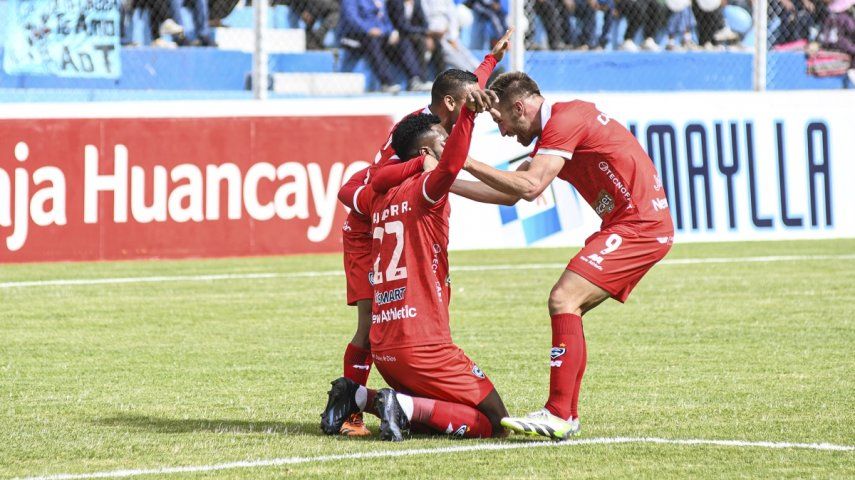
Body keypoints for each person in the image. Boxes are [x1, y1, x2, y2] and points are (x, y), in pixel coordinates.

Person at [462, 72, 674, 439]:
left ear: (518, 107)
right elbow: (510, 193)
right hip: (630, 224)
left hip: (639, 225)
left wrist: (462, 159)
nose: (503, 131)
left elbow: (530, 187)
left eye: (500, 121)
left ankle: (558, 413)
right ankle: (565, 415)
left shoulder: (565, 121)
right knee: (567, 308)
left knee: (563, 299)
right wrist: (443, 179)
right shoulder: (556, 130)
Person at [323, 30, 513, 438]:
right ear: (450, 107)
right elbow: (358, 187)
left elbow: (465, 88)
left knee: (395, 320)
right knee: (370, 325)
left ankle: (378, 400)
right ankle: (352, 410)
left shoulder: (441, 121)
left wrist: (490, 60)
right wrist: (413, 174)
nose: (476, 111)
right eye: (470, 106)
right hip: (368, 227)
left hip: (401, 211)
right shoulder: (412, 135)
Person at [338, 0, 432, 92]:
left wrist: (391, 32)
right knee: (372, 42)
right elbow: (352, 18)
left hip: (379, 35)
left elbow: (386, 20)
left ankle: (415, 79)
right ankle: (386, 83)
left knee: (402, 41)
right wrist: (368, 29)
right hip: (356, 35)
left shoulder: (380, 1)